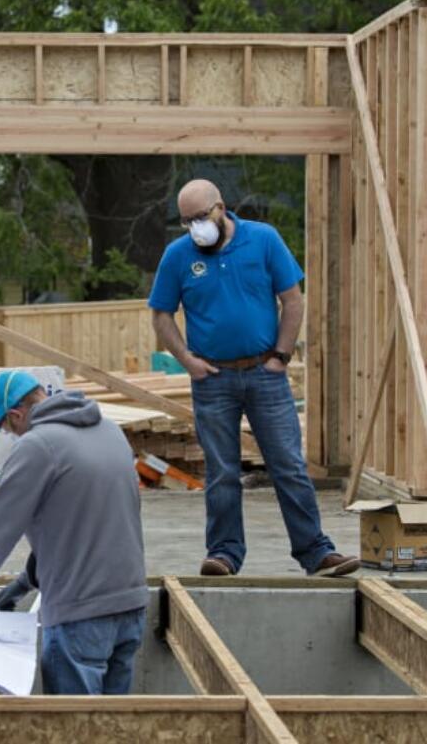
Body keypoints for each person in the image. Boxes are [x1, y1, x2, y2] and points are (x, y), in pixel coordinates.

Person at [148, 179, 358, 578]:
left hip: (264, 373)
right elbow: (161, 314)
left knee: (288, 465)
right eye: (187, 221)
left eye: (201, 217)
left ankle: (315, 552)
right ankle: (224, 554)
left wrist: (281, 354)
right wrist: (187, 359)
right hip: (212, 378)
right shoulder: (178, 256)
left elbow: (292, 298)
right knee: (223, 471)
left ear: (221, 207)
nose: (196, 227)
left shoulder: (263, 240)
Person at [0, 370, 148, 695]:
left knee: (73, 729)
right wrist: (26, 581)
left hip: (80, 615)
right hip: (131, 606)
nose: (12, 435)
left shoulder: (37, 445)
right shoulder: (110, 431)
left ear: (16, 415)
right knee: (113, 728)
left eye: (8, 429)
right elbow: (88, 519)